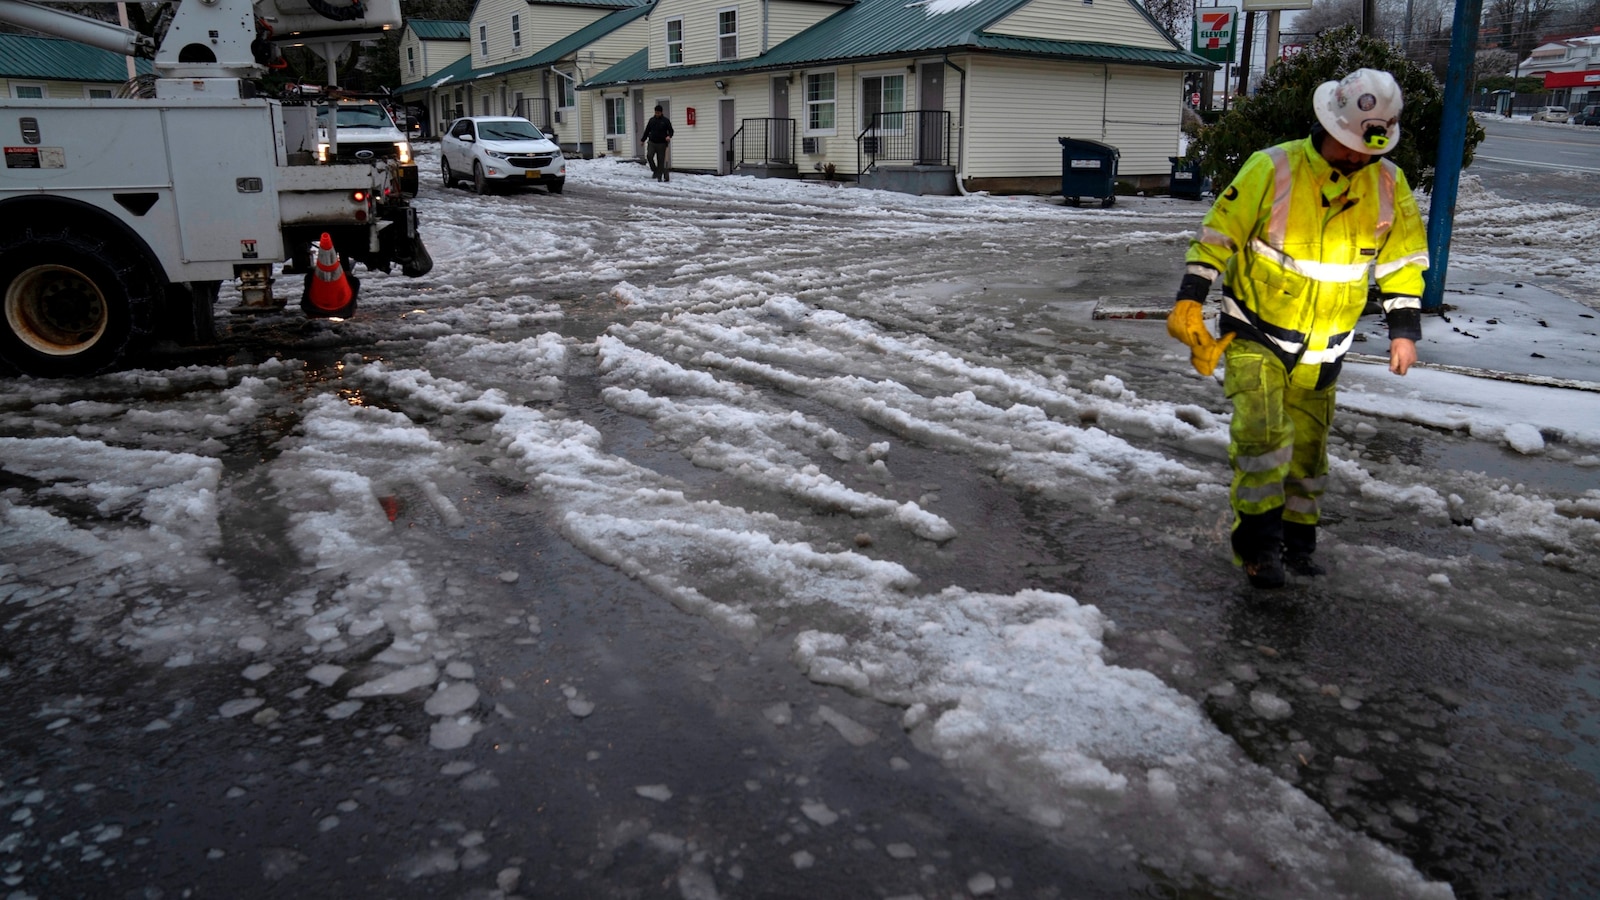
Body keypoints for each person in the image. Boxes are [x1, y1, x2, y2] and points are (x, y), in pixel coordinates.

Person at [1166, 68, 1430, 589]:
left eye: (1368, 148)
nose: (1359, 157)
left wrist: (1404, 330)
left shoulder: (1388, 184)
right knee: (1262, 436)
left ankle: (1297, 542)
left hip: (1325, 345)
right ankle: (1259, 547)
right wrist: (1190, 299)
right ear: (1328, 124)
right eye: (1351, 144)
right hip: (1255, 330)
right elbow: (1218, 237)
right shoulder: (1273, 168)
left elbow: (1402, 262)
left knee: (1308, 448)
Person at [641, 105, 674, 182]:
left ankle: (659, 176)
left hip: (662, 143)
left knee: (660, 160)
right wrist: (643, 140)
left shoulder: (666, 121)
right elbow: (647, 131)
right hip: (652, 142)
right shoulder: (651, 120)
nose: (657, 114)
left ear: (661, 112)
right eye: (656, 112)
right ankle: (654, 170)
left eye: (658, 113)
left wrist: (669, 136)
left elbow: (671, 130)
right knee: (649, 156)